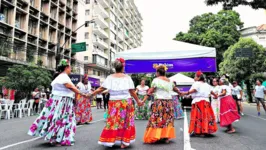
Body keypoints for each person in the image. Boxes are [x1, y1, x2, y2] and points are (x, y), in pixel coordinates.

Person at [28, 59, 86, 146]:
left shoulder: (60, 77)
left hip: (58, 101)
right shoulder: (63, 76)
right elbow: (69, 86)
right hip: (63, 101)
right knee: (60, 119)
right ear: (66, 67)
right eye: (70, 67)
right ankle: (56, 138)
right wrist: (82, 93)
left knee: (56, 118)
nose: (71, 69)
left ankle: (57, 137)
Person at [89, 58, 143, 149]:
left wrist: (91, 94)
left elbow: (101, 88)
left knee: (113, 121)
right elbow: (132, 91)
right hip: (125, 102)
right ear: (123, 67)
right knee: (126, 122)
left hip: (114, 102)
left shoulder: (110, 77)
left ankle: (111, 140)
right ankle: (124, 142)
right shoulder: (127, 78)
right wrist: (138, 101)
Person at [142, 65, 181, 144]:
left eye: (156, 72)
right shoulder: (170, 81)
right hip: (169, 103)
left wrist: (143, 100)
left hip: (159, 102)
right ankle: (166, 137)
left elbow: (150, 91)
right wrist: (181, 93)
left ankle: (157, 136)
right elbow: (176, 89)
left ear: (158, 72)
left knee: (157, 119)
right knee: (167, 120)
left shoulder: (156, 80)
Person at [182, 71, 218, 136]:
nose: (194, 78)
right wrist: (215, 95)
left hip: (198, 102)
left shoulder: (196, 83)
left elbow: (194, 90)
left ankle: (196, 131)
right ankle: (206, 130)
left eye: (195, 76)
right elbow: (211, 91)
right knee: (206, 116)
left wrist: (185, 93)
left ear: (198, 78)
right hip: (206, 102)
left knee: (197, 116)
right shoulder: (207, 85)